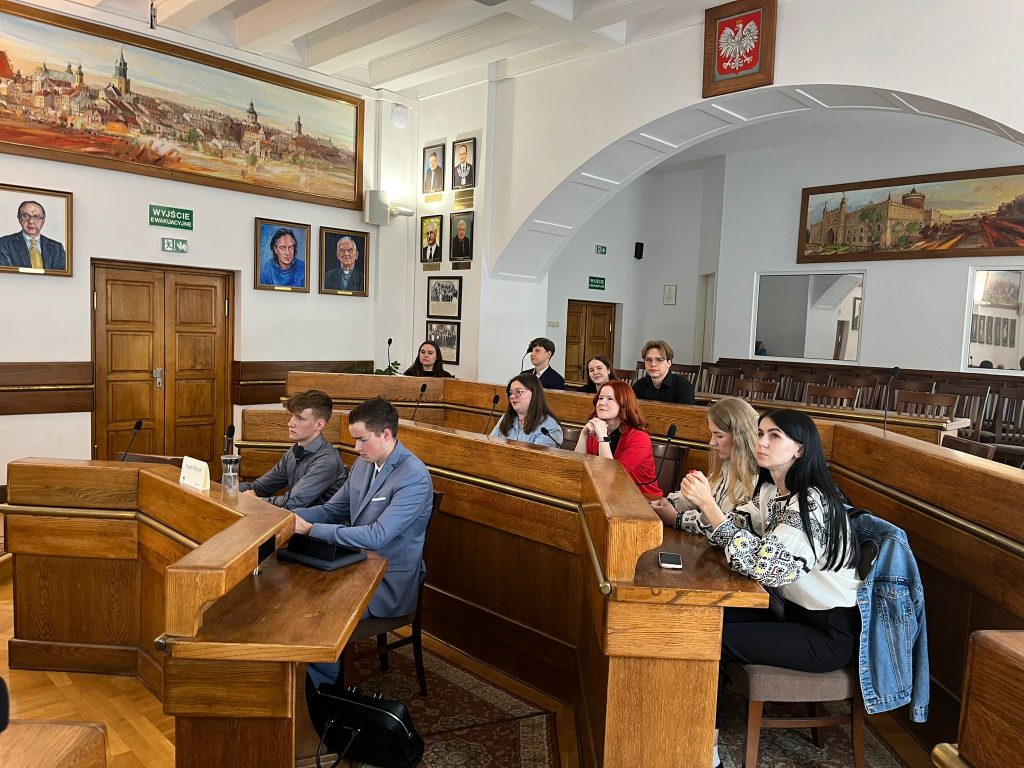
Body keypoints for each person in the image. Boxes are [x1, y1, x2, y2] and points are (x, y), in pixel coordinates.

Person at [689, 409, 859, 768]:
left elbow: (769, 567)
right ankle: (685, 727)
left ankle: (706, 753)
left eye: (775, 436)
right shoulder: (776, 492)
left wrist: (709, 508)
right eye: (761, 433)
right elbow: (732, 532)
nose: (761, 442)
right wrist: (704, 512)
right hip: (791, 617)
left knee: (707, 636)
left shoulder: (811, 501)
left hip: (827, 635)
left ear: (800, 449)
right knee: (698, 618)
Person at [294, 397, 434, 687]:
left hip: (388, 581)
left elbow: (377, 536)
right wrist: (286, 515)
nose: (356, 448)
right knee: (296, 597)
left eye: (361, 440)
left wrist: (310, 530)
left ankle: (323, 696)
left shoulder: (414, 476)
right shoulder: (364, 463)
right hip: (353, 565)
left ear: (386, 434)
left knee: (321, 617)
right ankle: (298, 683)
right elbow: (334, 510)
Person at [649, 396, 758, 533]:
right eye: (712, 434)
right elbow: (694, 501)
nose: (712, 442)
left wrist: (678, 518)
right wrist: (669, 503)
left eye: (719, 436)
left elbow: (731, 528)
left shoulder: (757, 481)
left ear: (741, 436)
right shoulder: (725, 466)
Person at [238, 390, 346, 509]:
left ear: (319, 425)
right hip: (294, 521)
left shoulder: (327, 460)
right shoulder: (294, 451)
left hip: (316, 525)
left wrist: (256, 501)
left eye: (300, 418)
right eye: (292, 416)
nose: (290, 423)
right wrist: (224, 489)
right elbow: (260, 487)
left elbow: (293, 503)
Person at [574, 380, 661, 497]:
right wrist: (583, 436)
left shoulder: (640, 438)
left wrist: (603, 438)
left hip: (642, 499)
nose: (602, 403)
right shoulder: (597, 429)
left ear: (624, 405)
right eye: (600, 398)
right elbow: (577, 468)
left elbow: (613, 478)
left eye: (610, 399)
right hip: (608, 494)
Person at [491, 375, 563, 447]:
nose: (512, 396)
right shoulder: (506, 418)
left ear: (534, 393)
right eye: (510, 393)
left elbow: (537, 457)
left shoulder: (549, 427)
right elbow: (491, 446)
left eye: (518, 391)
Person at [0, 200, 67, 271]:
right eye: (25, 216)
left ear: (43, 221)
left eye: (36, 217)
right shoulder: (4, 244)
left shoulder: (57, 248)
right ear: (19, 219)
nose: (31, 221)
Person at [632, 339, 695, 404]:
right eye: (648, 360)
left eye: (659, 360)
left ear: (669, 363)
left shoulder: (684, 387)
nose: (653, 364)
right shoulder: (638, 386)